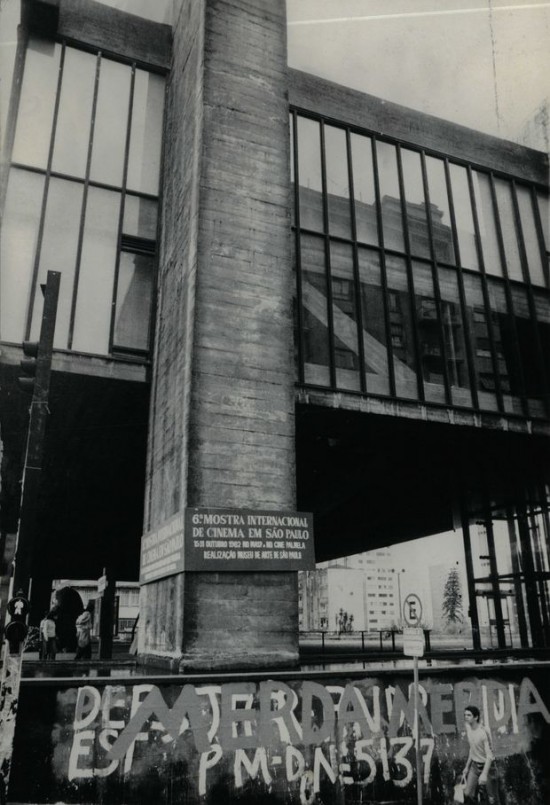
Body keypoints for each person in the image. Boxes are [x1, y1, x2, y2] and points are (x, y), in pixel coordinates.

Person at [462, 705, 498, 804]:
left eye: (469, 715)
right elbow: (472, 749)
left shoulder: (483, 732)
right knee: (468, 794)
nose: (466, 717)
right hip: (474, 766)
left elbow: (489, 755)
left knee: (492, 799)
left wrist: (484, 774)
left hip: (488, 767)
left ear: (476, 717)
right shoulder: (469, 730)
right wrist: (467, 767)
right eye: (465, 715)